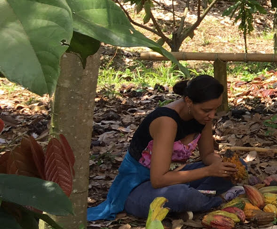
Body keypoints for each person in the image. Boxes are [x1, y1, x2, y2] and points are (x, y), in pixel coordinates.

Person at [88, 75, 238, 221]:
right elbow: (158, 180)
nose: (212, 115)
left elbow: (207, 155)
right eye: (206, 110)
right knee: (181, 195)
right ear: (188, 101)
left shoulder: (203, 117)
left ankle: (191, 204)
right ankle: (217, 199)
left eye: (215, 109)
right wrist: (209, 171)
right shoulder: (167, 121)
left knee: (235, 167)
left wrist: (220, 165)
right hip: (138, 187)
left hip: (175, 177)